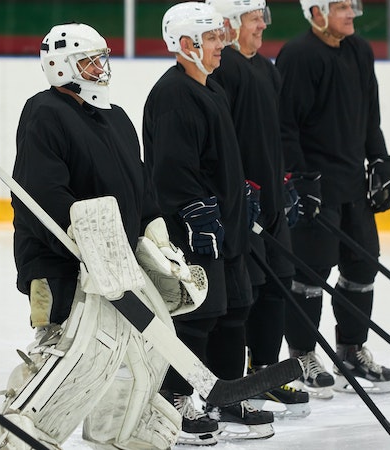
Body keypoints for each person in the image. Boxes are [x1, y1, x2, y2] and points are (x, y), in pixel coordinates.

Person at [0, 23, 197, 450]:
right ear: (61, 68)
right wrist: (88, 242)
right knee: (68, 350)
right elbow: (42, 193)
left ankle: (125, 428)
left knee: (143, 346)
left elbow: (139, 187)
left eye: (103, 58)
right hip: (59, 262)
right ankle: (20, 432)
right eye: (89, 60)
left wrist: (156, 238)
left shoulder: (115, 118)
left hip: (119, 267)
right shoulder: (44, 112)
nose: (101, 68)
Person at [144, 2, 269, 443]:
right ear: (185, 45)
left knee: (236, 307)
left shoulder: (210, 88)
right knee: (199, 315)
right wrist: (196, 213)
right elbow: (172, 171)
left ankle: (225, 395)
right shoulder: (174, 94)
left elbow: (221, 161)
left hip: (225, 225)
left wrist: (242, 198)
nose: (224, 43)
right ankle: (174, 403)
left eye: (220, 36)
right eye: (213, 38)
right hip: (195, 230)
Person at [276, 0, 390, 399]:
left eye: (352, 5)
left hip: (352, 185)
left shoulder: (360, 50)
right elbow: (286, 125)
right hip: (315, 185)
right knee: (309, 277)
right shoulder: (298, 55)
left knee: (363, 267)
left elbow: (369, 117)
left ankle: (350, 350)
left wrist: (379, 160)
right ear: (316, 12)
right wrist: (298, 177)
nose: (351, 13)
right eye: (341, 6)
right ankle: (304, 356)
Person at [207, 0, 310, 420]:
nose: (262, 28)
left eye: (263, 20)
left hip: (268, 200)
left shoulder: (266, 69)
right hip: (241, 204)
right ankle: (237, 382)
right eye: (254, 20)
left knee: (278, 282)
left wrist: (285, 180)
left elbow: (276, 134)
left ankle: (266, 373)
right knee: (245, 291)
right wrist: (238, 193)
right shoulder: (224, 70)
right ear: (231, 26)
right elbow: (225, 141)